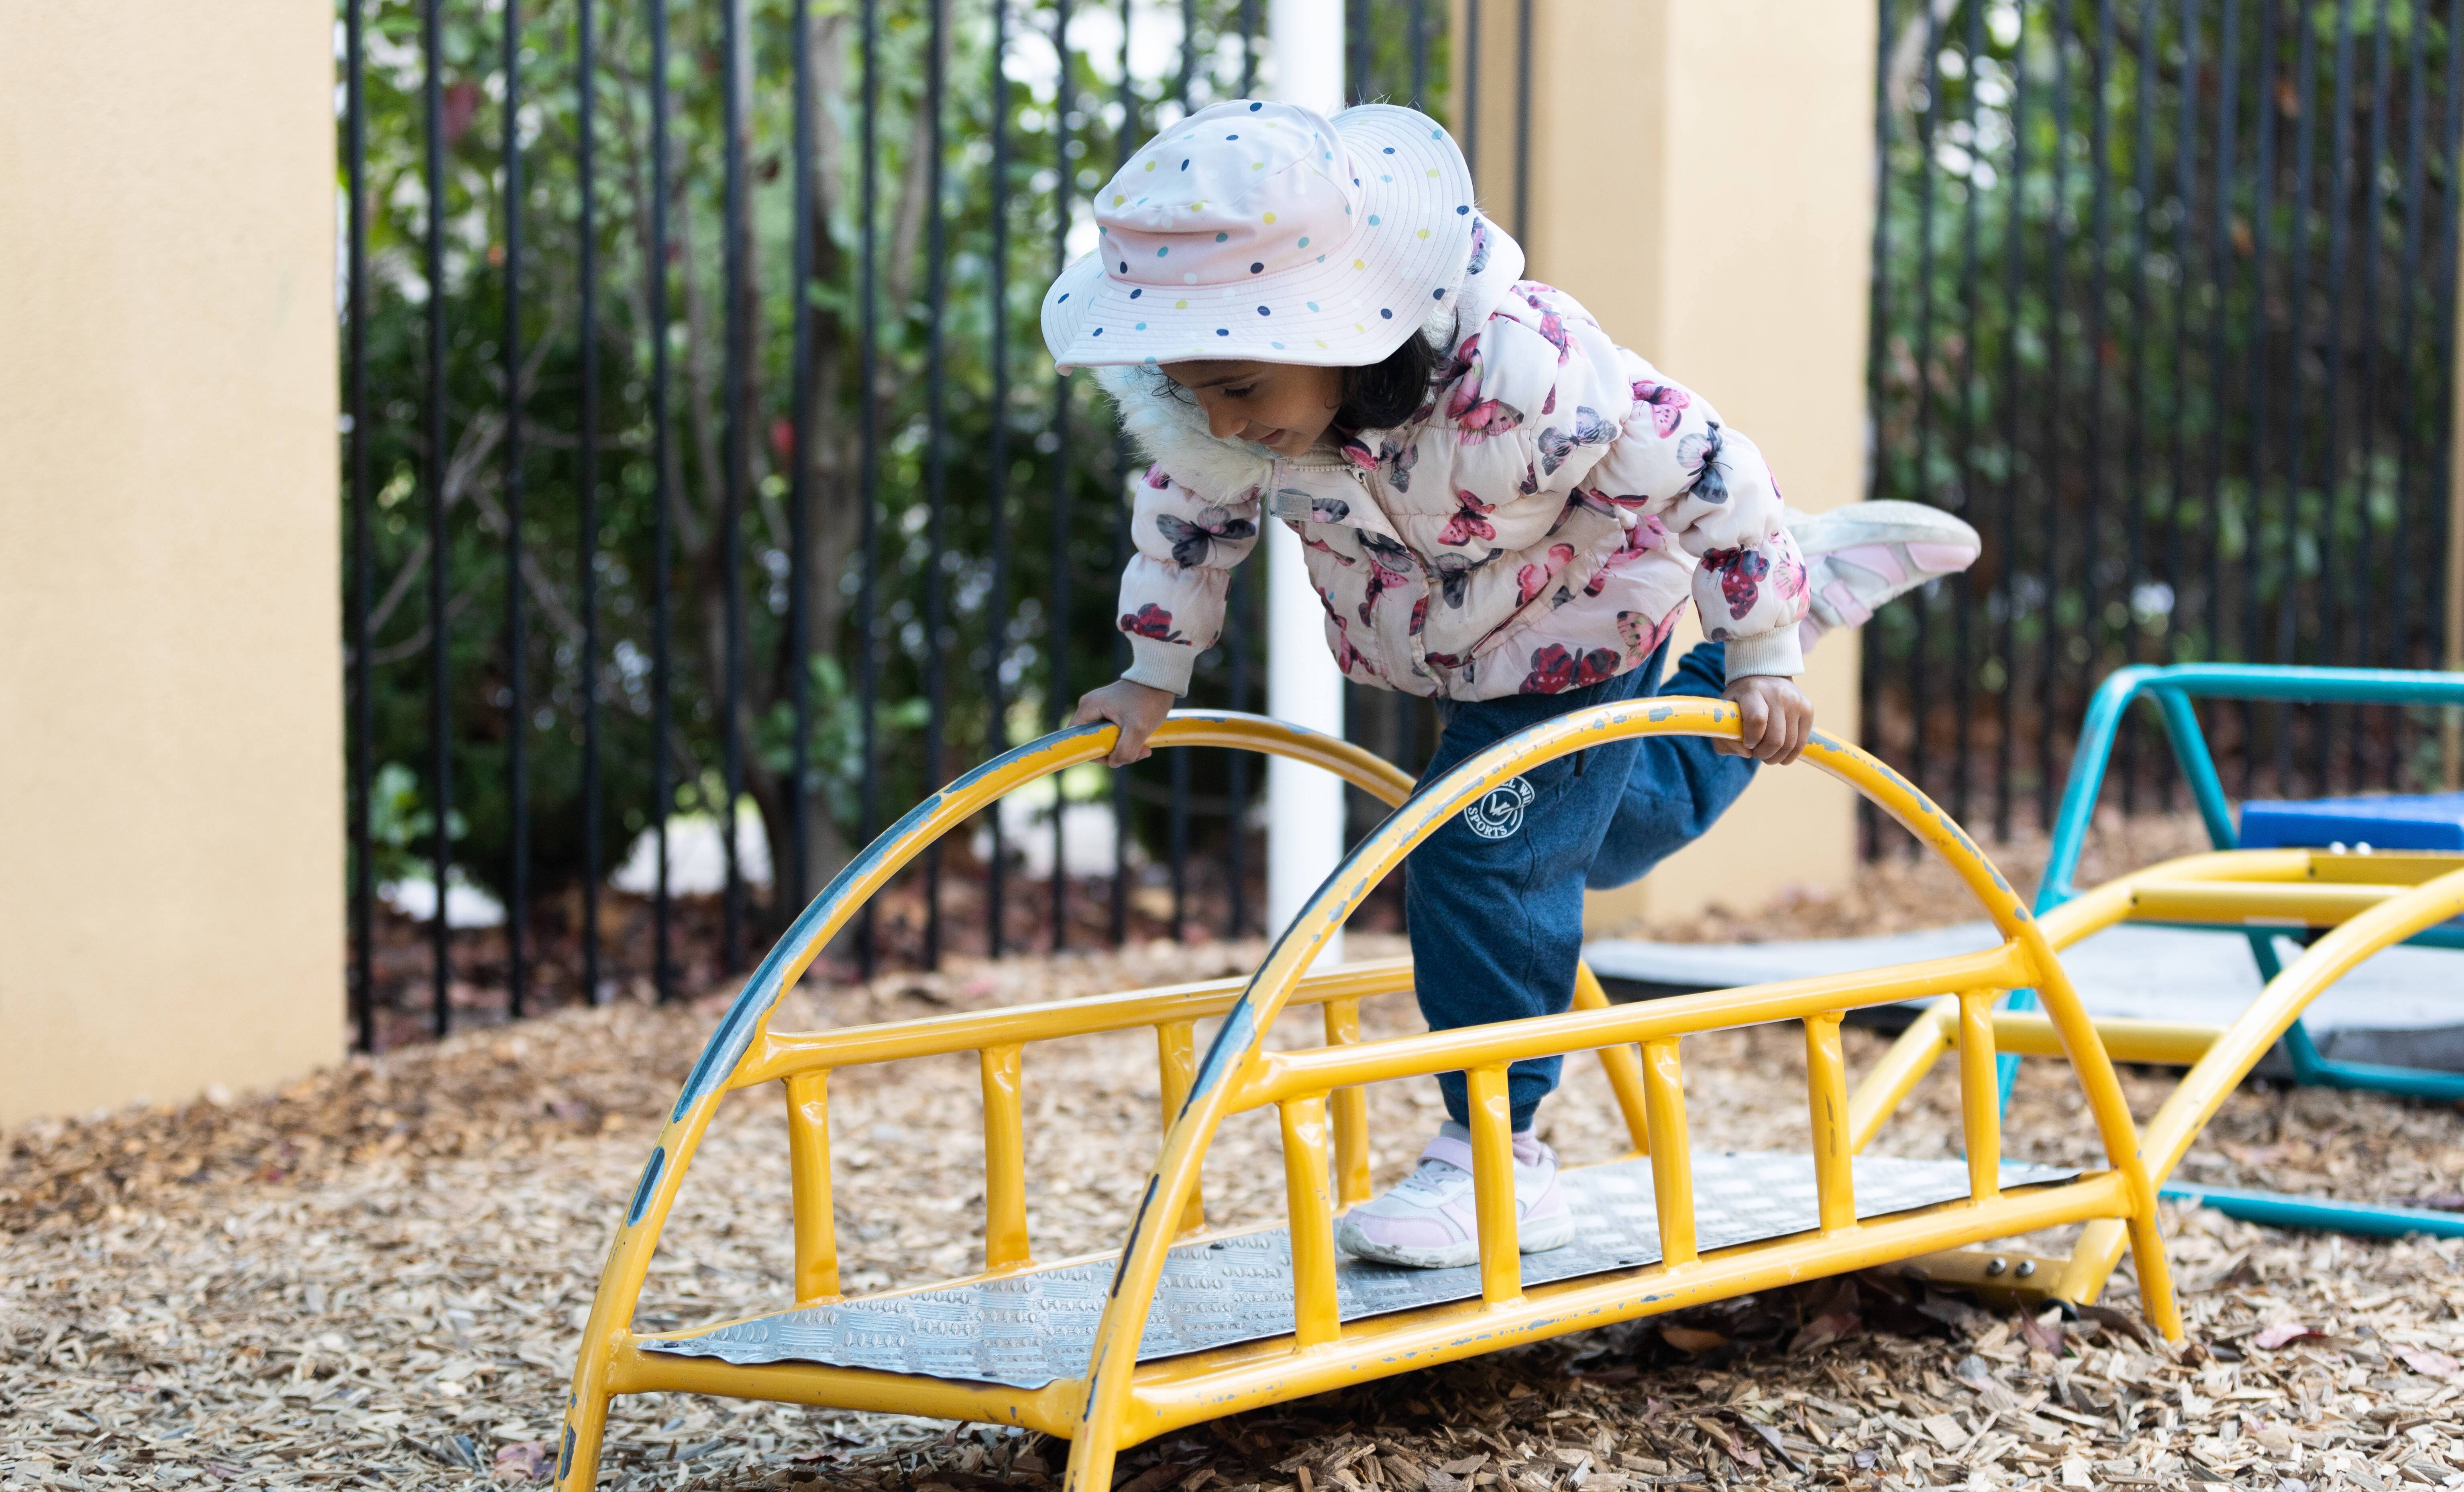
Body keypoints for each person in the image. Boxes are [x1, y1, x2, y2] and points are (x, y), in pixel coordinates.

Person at [1041, 98, 1977, 1269]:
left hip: (1594, 614)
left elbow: (1709, 468)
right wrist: (1151, 675)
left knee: (1477, 852)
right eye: (1192, 390)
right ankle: (1819, 579)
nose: (1219, 420)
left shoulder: (1529, 376)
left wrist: (1758, 644)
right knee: (1598, 838)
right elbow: (1185, 522)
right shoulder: (1233, 427)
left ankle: (1493, 1156)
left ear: (1349, 332)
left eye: (1236, 385)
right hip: (1463, 650)